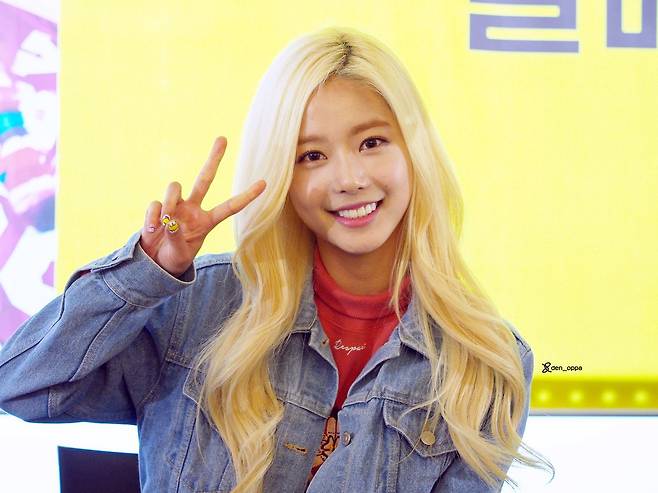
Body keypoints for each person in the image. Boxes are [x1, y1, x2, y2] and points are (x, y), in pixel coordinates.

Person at [0, 26, 553, 492]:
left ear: (415, 150)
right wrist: (146, 273)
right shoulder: (196, 306)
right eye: (311, 155)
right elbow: (19, 386)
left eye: (372, 142)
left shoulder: (484, 363)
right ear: (282, 175)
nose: (349, 179)